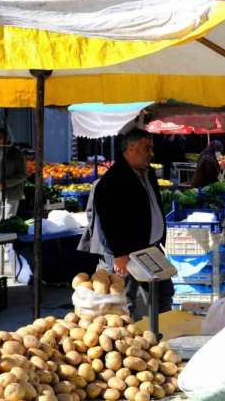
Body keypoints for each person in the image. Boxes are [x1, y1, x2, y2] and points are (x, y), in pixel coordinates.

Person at [94, 128, 174, 316]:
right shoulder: (113, 180)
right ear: (131, 148)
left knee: (163, 293)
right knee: (131, 301)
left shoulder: (148, 173)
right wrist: (120, 253)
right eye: (147, 148)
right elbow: (108, 220)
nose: (151, 154)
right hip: (128, 253)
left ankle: (160, 333)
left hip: (151, 248)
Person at [0, 128, 27, 223]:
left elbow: (23, 175)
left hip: (12, 193)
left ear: (7, 138)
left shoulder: (17, 154)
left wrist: (5, 184)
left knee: (8, 221)